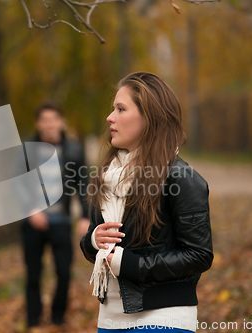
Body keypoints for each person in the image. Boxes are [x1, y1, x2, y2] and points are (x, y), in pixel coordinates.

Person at [80, 72, 214, 333]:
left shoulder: (181, 178)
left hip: (165, 317)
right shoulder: (107, 176)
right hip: (109, 317)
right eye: (112, 109)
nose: (110, 117)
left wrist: (133, 265)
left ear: (149, 117)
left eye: (121, 109)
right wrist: (94, 240)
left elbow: (199, 255)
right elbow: (92, 245)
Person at [21, 101, 90, 329]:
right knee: (33, 275)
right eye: (45, 120)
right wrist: (30, 209)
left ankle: (57, 317)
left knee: (63, 272)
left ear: (61, 122)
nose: (50, 125)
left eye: (54, 120)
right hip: (32, 222)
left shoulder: (74, 150)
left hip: (61, 222)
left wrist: (85, 216)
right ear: (38, 123)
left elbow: (84, 185)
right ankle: (33, 319)